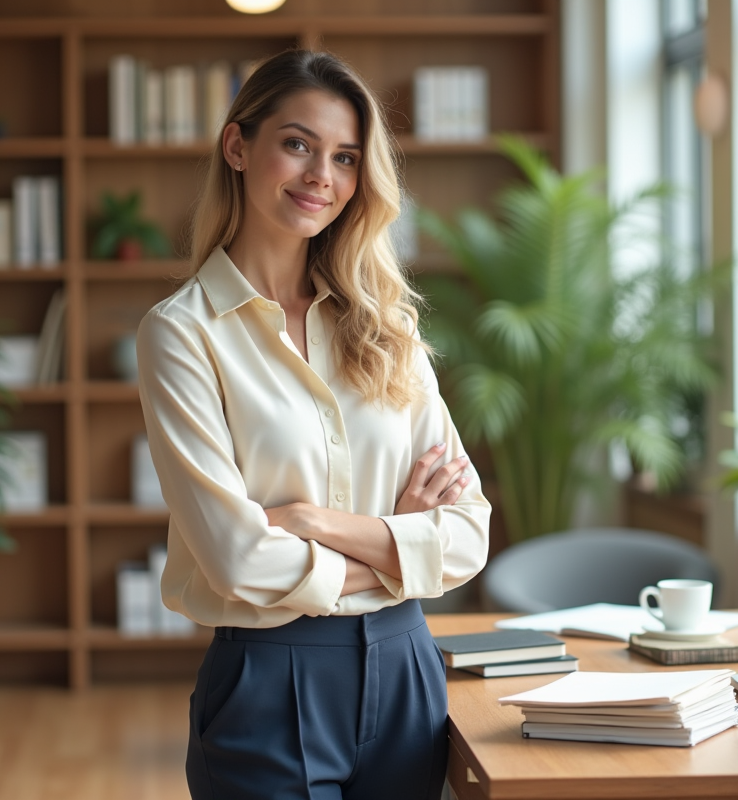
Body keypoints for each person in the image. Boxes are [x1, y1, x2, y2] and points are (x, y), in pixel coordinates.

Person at [136, 48, 490, 800]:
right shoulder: (182, 334)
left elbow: (469, 533)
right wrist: (398, 547)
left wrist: (307, 521)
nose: (320, 176)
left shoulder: (386, 328)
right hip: (269, 678)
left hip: (406, 673)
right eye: (297, 143)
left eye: (345, 157)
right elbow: (236, 560)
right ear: (239, 146)